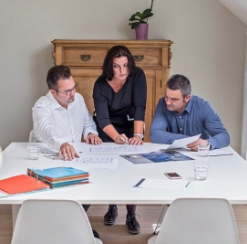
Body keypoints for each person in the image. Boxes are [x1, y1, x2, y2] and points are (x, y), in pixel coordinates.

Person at [93, 45, 147, 234]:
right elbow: (102, 118)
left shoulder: (138, 75)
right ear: (110, 67)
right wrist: (116, 137)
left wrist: (138, 136)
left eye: (126, 65)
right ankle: (112, 206)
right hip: (108, 129)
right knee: (111, 168)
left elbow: (140, 106)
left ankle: (131, 215)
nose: (122, 71)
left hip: (132, 125)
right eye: (117, 66)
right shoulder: (100, 84)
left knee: (132, 170)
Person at [32, 65, 102, 160]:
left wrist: (90, 134)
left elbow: (88, 124)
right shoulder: (41, 106)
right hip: (47, 157)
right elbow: (47, 130)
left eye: (74, 87)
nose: (73, 93)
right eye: (67, 91)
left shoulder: (78, 98)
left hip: (75, 155)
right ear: (53, 92)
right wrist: (62, 144)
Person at [150, 74, 230, 150]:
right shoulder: (162, 103)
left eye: (174, 99)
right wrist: (189, 140)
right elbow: (155, 134)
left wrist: (207, 143)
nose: (167, 102)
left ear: (187, 98)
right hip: (174, 157)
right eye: (166, 97)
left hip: (199, 156)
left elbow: (224, 137)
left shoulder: (203, 107)